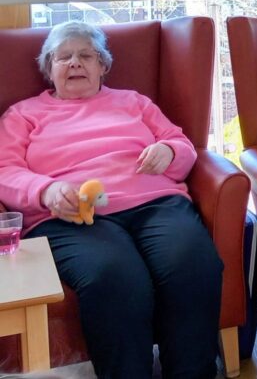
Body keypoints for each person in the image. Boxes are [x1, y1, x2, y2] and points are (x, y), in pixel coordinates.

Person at [0, 22, 222, 379]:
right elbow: (5, 170)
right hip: (70, 218)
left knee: (194, 265)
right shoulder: (23, 114)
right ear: (48, 68)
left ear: (103, 65)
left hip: (155, 203)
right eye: (64, 57)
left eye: (86, 55)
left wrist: (168, 150)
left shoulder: (134, 102)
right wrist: (45, 190)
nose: (75, 63)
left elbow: (180, 144)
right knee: (115, 278)